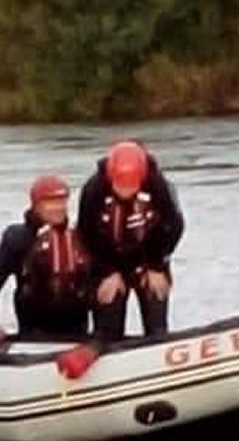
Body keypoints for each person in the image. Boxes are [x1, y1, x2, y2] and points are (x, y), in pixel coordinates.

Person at [77, 140, 185, 342]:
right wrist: (108, 271)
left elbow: (174, 226)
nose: (126, 192)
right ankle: (107, 347)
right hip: (108, 257)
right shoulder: (93, 189)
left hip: (148, 257)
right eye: (121, 185)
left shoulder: (159, 185)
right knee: (109, 311)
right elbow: (86, 233)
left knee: (155, 304)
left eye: (131, 185)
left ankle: (157, 343)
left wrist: (156, 266)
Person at [0, 174, 94, 345]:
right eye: (51, 202)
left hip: (76, 329)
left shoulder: (80, 237)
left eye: (62, 201)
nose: (58, 208)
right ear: (36, 206)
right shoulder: (17, 239)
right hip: (34, 331)